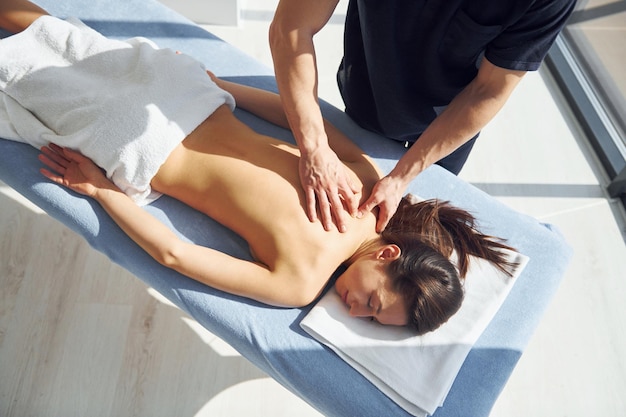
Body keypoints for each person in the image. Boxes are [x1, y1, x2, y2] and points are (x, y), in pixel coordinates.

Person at [0, 0, 517, 335]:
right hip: (140, 148)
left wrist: (218, 88)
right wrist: (100, 191)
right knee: (21, 73)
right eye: (374, 304)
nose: (357, 312)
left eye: (373, 321)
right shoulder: (300, 281)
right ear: (387, 254)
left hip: (184, 94)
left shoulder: (366, 184)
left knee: (54, 34)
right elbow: (175, 254)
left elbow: (298, 120)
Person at [269, 0, 576, 234]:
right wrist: (314, 148)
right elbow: (291, 29)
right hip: (370, 85)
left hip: (453, 114)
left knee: (421, 218)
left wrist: (403, 175)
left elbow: (489, 89)